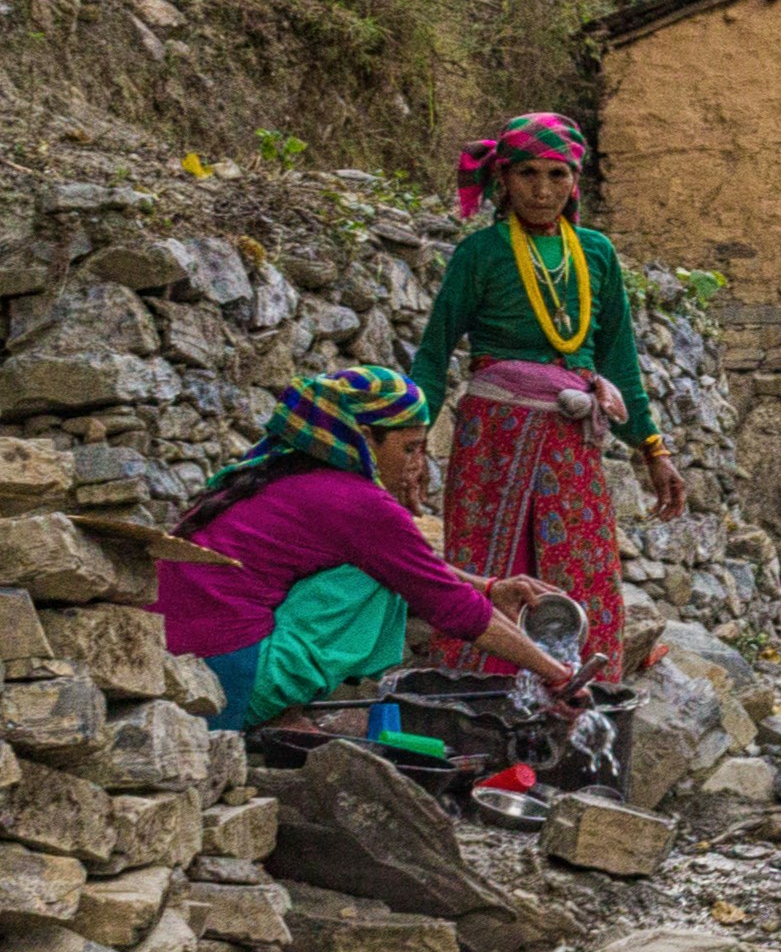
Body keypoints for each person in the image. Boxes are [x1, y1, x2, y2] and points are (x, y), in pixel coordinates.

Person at [409, 111, 686, 682]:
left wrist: (653, 449)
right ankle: (475, 688)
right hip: (493, 437)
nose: (543, 190)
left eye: (558, 175)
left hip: (570, 438)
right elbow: (434, 355)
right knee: (488, 559)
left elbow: (618, 361)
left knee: (580, 561)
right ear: (502, 180)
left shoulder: (597, 253)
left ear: (575, 182)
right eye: (528, 174)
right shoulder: (480, 254)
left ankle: (582, 684)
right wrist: (410, 445)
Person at [157, 367, 577, 728]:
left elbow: (415, 567)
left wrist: (489, 589)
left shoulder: (281, 470)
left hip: (178, 661)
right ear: (363, 437)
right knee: (378, 578)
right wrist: (555, 675)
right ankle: (272, 711)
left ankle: (279, 710)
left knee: (384, 566)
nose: (417, 465)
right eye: (408, 448)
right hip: (226, 683)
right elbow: (451, 606)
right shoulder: (360, 504)